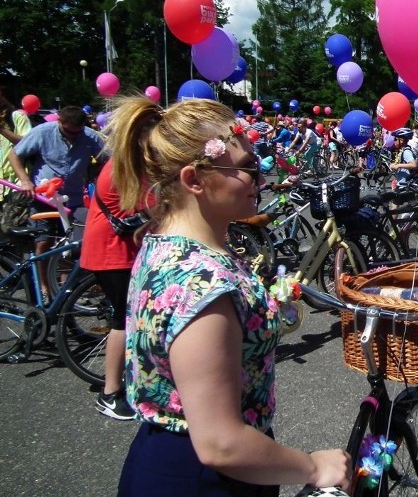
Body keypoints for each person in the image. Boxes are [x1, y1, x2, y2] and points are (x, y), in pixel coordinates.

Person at [105, 96, 350, 495]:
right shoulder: (202, 283)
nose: (261, 176)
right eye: (246, 168)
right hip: (204, 480)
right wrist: (313, 467)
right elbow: (220, 443)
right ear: (194, 180)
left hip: (171, 462)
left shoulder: (164, 244)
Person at [7, 106, 105, 292]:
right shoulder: (43, 132)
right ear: (59, 121)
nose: (72, 137)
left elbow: (107, 160)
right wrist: (25, 180)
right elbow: (15, 154)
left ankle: (64, 285)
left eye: (77, 133)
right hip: (44, 199)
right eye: (68, 132)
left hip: (72, 200)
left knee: (72, 244)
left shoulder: (89, 136)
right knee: (43, 242)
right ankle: (43, 287)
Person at [80, 157, 147, 421]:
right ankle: (110, 392)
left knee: (127, 315)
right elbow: (152, 206)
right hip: (113, 251)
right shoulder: (127, 166)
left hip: (119, 248)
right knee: (122, 318)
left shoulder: (127, 160)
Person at [0, 89, 32, 200]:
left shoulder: (17, 116)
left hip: (16, 184)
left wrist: (2, 129)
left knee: (12, 217)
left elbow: (27, 143)